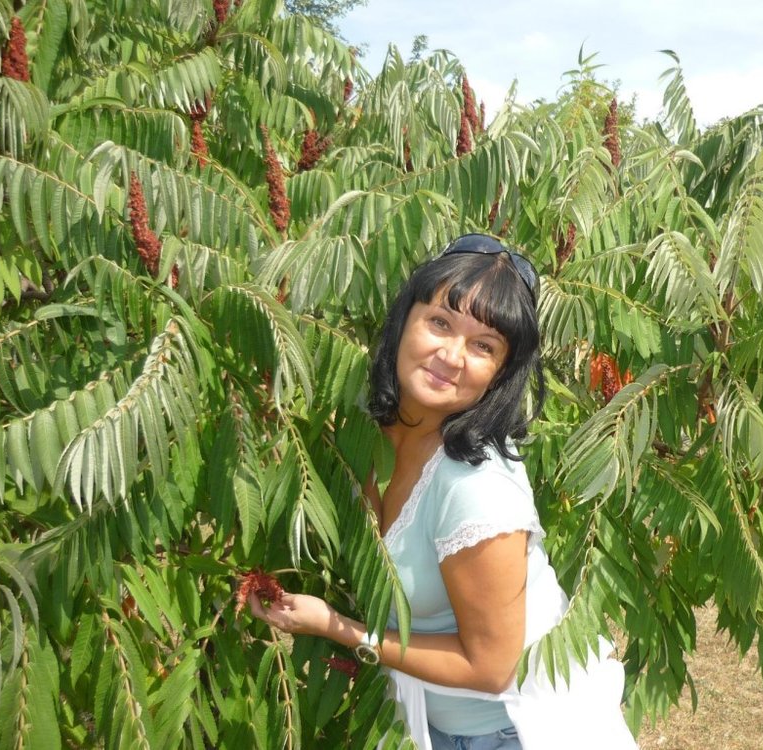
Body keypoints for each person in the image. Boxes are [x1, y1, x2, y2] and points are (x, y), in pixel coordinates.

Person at [249, 234, 638, 749]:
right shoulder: (365, 429)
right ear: (405, 317)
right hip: (430, 721)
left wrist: (338, 628)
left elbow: (490, 668)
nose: (452, 356)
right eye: (440, 322)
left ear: (502, 372)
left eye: (484, 346)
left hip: (518, 732)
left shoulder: (478, 489)